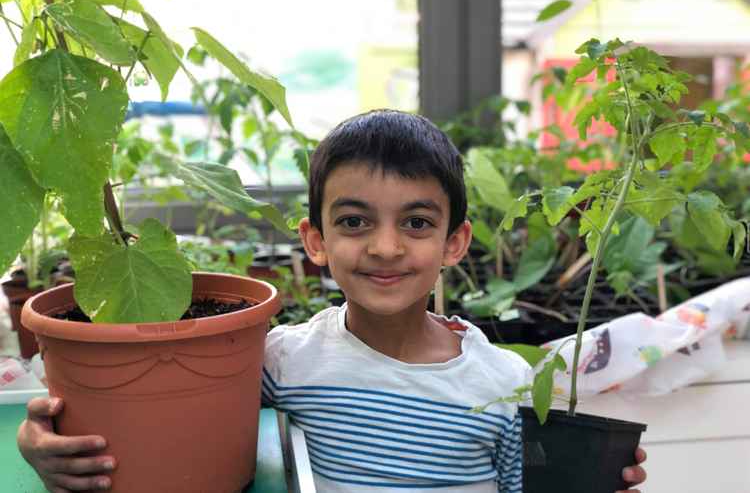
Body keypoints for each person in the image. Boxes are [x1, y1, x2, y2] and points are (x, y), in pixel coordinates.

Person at [17, 109, 647, 492]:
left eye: (418, 223)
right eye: (354, 222)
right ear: (315, 240)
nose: (386, 247)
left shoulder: (505, 383)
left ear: (456, 243)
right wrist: (42, 442)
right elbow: (160, 411)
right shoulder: (284, 361)